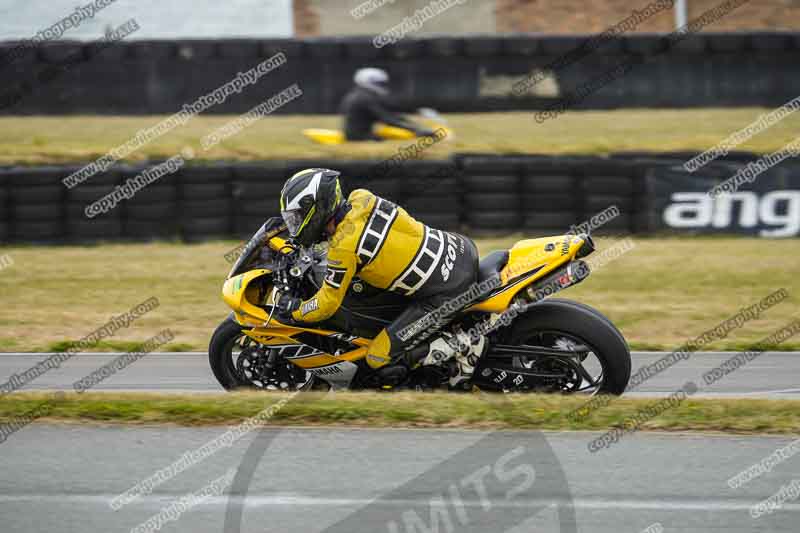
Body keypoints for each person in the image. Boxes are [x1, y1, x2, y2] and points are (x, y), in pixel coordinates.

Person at [276, 168, 486, 387]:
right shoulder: (361, 197)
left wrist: (296, 310)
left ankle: (464, 345)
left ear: (318, 208)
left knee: (377, 357)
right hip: (459, 247)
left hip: (448, 290)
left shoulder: (344, 248)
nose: (295, 226)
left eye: (298, 217)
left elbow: (326, 305)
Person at [340, 67, 434, 141]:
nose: (383, 86)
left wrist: (415, 114)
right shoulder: (365, 98)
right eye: (380, 83)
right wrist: (417, 130)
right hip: (360, 138)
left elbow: (390, 110)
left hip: (356, 135)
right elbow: (388, 119)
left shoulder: (360, 94)